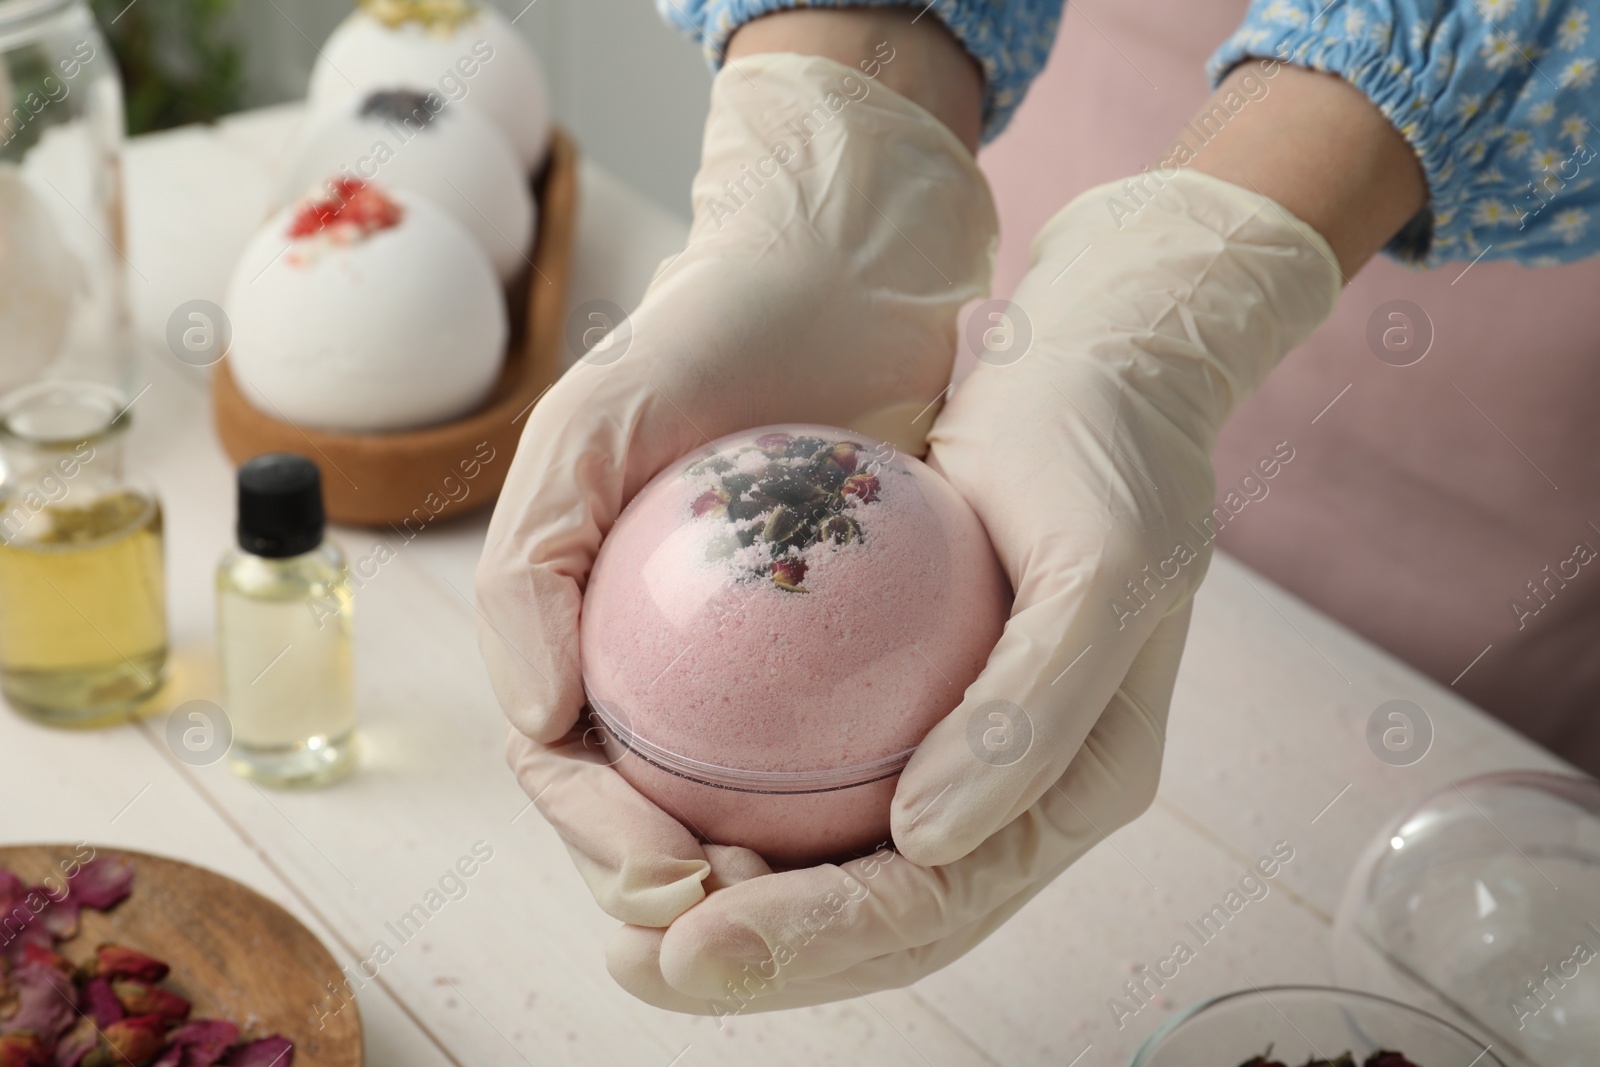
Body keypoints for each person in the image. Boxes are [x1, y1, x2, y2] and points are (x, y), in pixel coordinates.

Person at [474, 0, 1600, 1014]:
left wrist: (1189, 274)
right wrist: (855, 114)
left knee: (1456, 869)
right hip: (1043, 203)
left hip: (1501, 355)